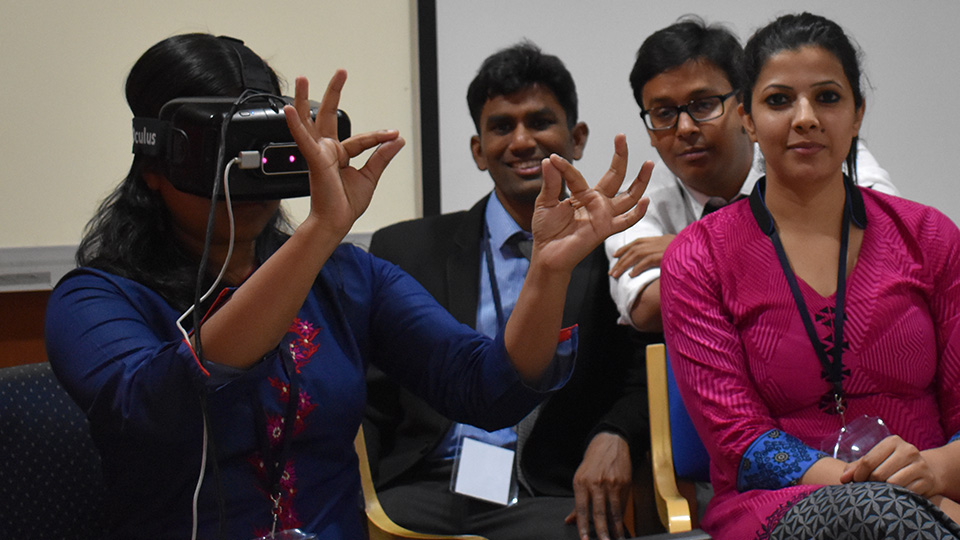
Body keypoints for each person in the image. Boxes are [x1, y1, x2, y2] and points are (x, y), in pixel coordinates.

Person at [43, 34, 651, 540]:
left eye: (263, 146)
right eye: (225, 151)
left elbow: (484, 387)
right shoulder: (96, 299)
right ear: (154, 166)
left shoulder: (344, 279)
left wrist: (547, 272)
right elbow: (155, 408)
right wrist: (322, 228)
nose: (247, 171)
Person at [658, 12, 960, 539]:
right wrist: (877, 492)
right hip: (777, 507)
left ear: (858, 113)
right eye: (778, 100)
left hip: (937, 486)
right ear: (746, 119)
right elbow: (740, 441)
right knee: (879, 517)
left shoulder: (929, 237)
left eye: (827, 97)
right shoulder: (697, 258)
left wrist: (934, 472)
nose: (805, 118)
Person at [364, 42, 652, 540]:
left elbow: (644, 366)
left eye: (540, 122)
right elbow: (371, 394)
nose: (522, 141)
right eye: (501, 126)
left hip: (549, 491)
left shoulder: (613, 245)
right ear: (478, 150)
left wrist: (616, 433)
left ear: (577, 138)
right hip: (425, 485)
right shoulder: (405, 248)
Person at [605, 16, 898, 333]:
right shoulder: (635, 204)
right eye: (663, 113)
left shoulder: (818, 154)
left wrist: (689, 253)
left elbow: (887, 247)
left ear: (745, 108)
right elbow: (650, 308)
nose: (685, 128)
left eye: (704, 105)